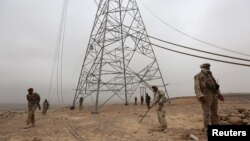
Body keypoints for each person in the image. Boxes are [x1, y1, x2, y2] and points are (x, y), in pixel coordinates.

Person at [194, 63, 224, 132]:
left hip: (214, 97)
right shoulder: (198, 76)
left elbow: (215, 87)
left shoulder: (210, 76)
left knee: (215, 112)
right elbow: (197, 88)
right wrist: (200, 96)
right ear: (203, 68)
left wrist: (219, 95)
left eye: (209, 67)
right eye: (207, 67)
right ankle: (207, 127)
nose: (208, 68)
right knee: (207, 113)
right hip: (205, 98)